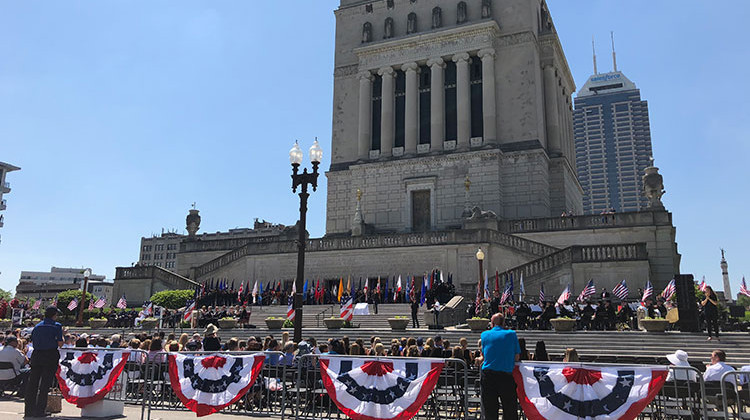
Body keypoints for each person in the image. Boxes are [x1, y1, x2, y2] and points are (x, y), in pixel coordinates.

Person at [25, 306, 63, 418]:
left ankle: (29, 410)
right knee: (44, 385)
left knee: (33, 384)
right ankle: (40, 410)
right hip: (50, 354)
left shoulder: (37, 326)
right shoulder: (56, 326)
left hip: (37, 355)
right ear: (54, 315)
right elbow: (60, 343)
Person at [480, 313, 520, 420]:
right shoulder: (511, 334)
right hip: (505, 375)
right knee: (510, 408)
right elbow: (516, 357)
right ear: (504, 323)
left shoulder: (484, 335)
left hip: (488, 375)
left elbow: (483, 355)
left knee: (490, 409)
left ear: (492, 324)